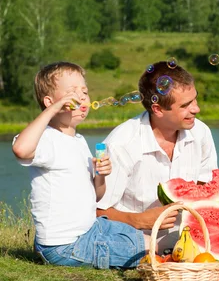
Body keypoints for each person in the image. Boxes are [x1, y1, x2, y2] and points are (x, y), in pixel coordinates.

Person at [12, 62, 146, 268]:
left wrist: (100, 176)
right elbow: (21, 149)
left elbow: (97, 195)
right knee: (143, 248)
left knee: (137, 235)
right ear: (49, 102)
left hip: (88, 230)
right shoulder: (48, 138)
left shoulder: (79, 141)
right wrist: (55, 108)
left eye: (84, 91)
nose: (82, 96)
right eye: (71, 92)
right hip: (63, 245)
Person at [96, 61, 218, 253]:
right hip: (135, 244)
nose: (196, 109)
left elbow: (206, 190)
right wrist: (138, 220)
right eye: (185, 105)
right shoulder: (121, 145)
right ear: (158, 110)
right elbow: (97, 212)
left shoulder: (201, 132)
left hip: (191, 243)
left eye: (195, 99)